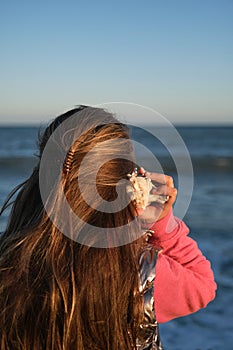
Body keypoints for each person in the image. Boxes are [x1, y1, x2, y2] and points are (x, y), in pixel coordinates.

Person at [0, 106, 216, 349]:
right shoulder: (136, 273)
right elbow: (203, 284)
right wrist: (161, 224)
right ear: (127, 183)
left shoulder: (8, 258)